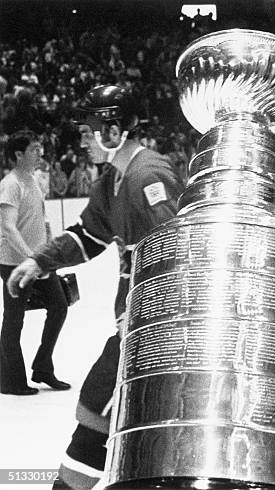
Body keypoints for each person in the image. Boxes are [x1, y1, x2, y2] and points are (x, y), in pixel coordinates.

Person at [7, 85, 184, 489]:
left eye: (88, 131)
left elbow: (177, 258)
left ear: (115, 128)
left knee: (98, 412)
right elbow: (88, 235)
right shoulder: (113, 181)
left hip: (150, 334)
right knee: (114, 420)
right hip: (134, 328)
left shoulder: (148, 176)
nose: (82, 140)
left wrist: (154, 323)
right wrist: (39, 260)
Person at [0, 130, 69, 396]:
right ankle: (10, 380)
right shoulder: (11, 184)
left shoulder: (32, 179)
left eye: (40, 148)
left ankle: (42, 367)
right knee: (14, 319)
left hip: (36, 260)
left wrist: (48, 252)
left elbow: (42, 219)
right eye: (34, 149)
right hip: (14, 263)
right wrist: (30, 257)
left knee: (59, 306)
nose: (39, 153)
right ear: (18, 154)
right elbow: (7, 227)